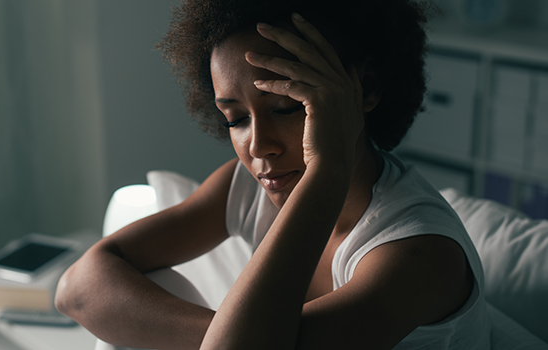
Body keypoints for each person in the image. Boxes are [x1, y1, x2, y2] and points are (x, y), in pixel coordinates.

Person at [55, 0, 491, 349]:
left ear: (367, 89)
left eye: (286, 108)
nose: (258, 145)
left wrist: (327, 169)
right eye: (236, 119)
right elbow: (76, 287)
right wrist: (225, 335)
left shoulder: (419, 255)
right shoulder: (246, 189)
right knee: (144, 290)